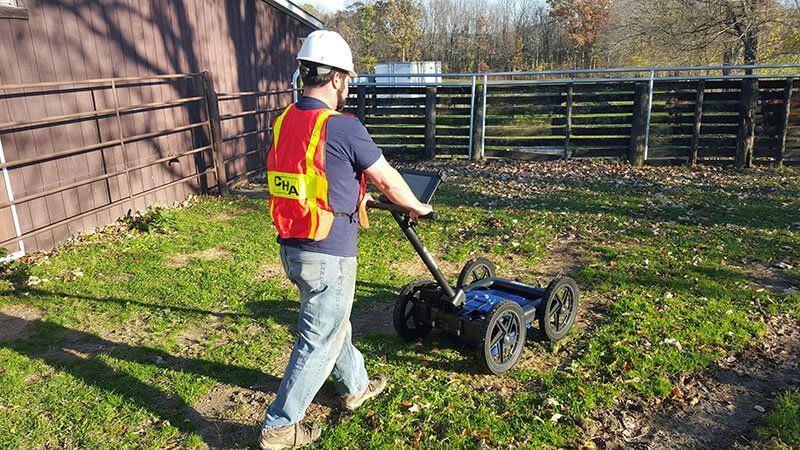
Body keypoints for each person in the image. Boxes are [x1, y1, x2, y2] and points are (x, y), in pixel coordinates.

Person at [259, 30, 433, 450]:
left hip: (293, 243)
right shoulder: (342, 126)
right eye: (348, 79)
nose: (347, 87)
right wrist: (418, 207)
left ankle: (356, 385)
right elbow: (388, 178)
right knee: (318, 338)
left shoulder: (285, 120)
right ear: (336, 78)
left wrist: (352, 194)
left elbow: (312, 173)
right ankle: (280, 427)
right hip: (329, 252)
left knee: (333, 323)